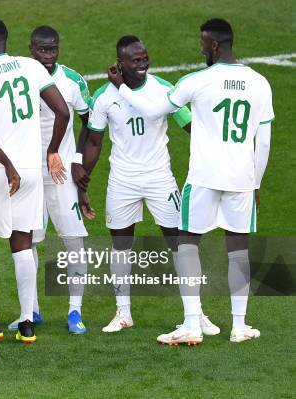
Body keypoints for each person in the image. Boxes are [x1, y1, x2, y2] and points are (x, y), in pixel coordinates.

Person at [107, 19, 273, 344]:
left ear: (213, 45)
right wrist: (256, 183)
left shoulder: (195, 81)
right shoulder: (259, 82)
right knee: (238, 249)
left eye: (201, 43)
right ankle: (239, 326)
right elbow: (263, 143)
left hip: (203, 178)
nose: (199, 48)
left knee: (186, 244)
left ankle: (192, 323)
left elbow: (154, 111)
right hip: (241, 178)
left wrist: (122, 87)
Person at [86, 35, 219, 334]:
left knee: (181, 244)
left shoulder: (164, 90)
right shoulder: (103, 97)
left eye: (145, 57)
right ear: (120, 63)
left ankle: (196, 315)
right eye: (135, 60)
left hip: (160, 179)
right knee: (121, 246)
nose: (143, 63)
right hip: (122, 180)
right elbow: (94, 140)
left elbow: (191, 126)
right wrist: (83, 177)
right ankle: (123, 314)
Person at [0, 17, 70, 343]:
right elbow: (63, 112)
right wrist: (52, 150)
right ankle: (27, 323)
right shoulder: (31, 66)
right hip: (30, 169)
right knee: (22, 243)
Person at [18, 25, 95, 335]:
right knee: (29, 241)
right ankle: (31, 309)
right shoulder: (20, 78)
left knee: (73, 240)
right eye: (42, 50)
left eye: (53, 49)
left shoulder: (72, 80)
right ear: (31, 48)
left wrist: (76, 160)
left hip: (60, 173)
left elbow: (90, 123)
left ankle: (75, 311)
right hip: (29, 173)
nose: (48, 55)